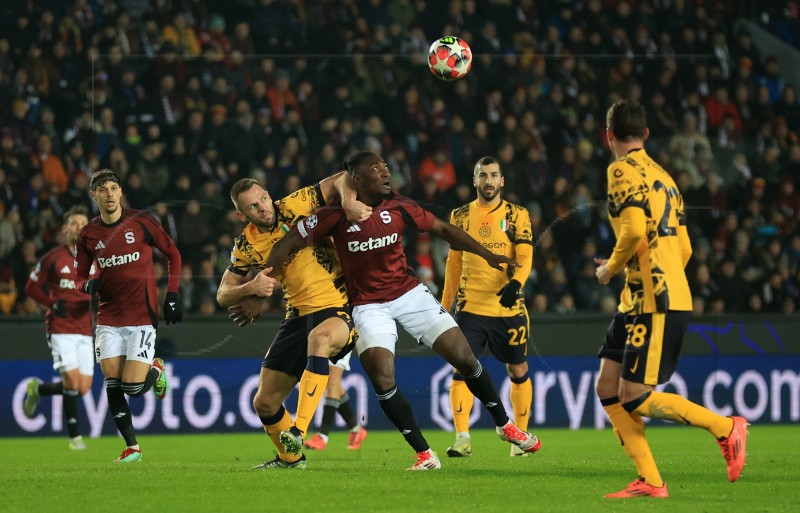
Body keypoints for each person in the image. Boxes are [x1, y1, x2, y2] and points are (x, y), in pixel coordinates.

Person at [265, 151, 541, 471]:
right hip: (367, 307)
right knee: (382, 378)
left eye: (386, 167)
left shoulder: (397, 204)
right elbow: (286, 244)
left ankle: (505, 425)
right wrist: (263, 279)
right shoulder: (334, 215)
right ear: (356, 180)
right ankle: (425, 454)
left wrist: (488, 256)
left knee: (465, 358)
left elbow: (443, 230)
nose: (386, 173)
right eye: (376, 169)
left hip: (409, 294)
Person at [594, 100, 748, 498]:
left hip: (653, 300)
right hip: (646, 296)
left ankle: (726, 428)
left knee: (636, 397)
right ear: (645, 135)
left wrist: (611, 268)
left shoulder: (620, 170)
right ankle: (651, 481)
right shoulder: (666, 178)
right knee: (607, 387)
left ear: (608, 135)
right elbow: (685, 250)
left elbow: (631, 233)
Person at [218, 171, 369, 470]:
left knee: (321, 339)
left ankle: (300, 430)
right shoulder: (245, 246)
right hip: (296, 316)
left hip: (337, 307)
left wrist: (349, 200)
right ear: (241, 214)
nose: (263, 207)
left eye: (264, 198)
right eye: (253, 206)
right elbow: (223, 294)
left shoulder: (296, 204)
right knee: (264, 403)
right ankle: (291, 458)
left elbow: (344, 176)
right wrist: (252, 288)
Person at [74, 169, 182, 463]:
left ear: (121, 193)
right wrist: (86, 284)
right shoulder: (88, 235)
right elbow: (79, 275)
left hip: (141, 317)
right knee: (112, 382)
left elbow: (173, 253)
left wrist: (172, 294)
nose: (109, 194)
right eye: (102, 189)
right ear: (93, 195)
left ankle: (156, 370)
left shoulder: (142, 222)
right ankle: (132, 447)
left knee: (133, 387)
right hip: (108, 318)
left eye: (113, 188)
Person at [440, 156, 534, 458]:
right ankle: (462, 438)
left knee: (517, 368)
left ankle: (519, 435)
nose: (489, 181)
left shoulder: (517, 215)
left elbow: (526, 255)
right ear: (475, 181)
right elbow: (453, 264)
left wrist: (516, 283)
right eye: (483, 176)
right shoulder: (460, 215)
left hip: (508, 306)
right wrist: (444, 304)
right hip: (470, 307)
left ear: (502, 181)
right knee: (462, 367)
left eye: (494, 175)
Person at [23, 206, 95, 450]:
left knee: (82, 388)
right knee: (72, 383)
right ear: (65, 229)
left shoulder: (96, 258)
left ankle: (37, 389)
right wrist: (51, 304)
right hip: (61, 327)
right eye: (74, 223)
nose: (79, 228)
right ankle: (75, 438)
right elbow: (30, 289)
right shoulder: (53, 258)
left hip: (86, 329)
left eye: (83, 223)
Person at [303, 352, 368, 451]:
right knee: (331, 382)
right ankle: (356, 429)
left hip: (340, 339)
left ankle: (322, 436)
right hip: (325, 340)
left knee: (333, 381)